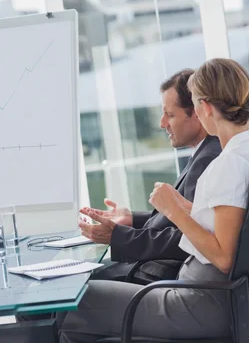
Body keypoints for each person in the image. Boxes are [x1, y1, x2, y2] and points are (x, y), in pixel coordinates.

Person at [60, 58, 249, 342]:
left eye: (195, 103)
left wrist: (175, 211)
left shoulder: (228, 164)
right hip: (203, 295)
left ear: (205, 107)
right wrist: (180, 206)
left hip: (197, 303)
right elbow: (222, 223)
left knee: (75, 300)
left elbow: (223, 256)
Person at [81, 69, 221, 283]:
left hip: (157, 277)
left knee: (64, 293)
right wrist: (132, 219)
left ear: (196, 112)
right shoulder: (203, 152)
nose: (162, 123)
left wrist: (118, 236)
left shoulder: (208, 159)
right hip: (152, 268)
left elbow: (188, 236)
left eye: (170, 115)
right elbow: (180, 220)